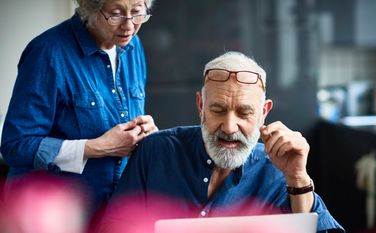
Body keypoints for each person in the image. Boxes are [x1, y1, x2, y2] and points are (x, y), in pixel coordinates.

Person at [98, 51, 345, 233]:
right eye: (218, 109)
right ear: (201, 106)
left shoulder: (278, 168)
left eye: (244, 112)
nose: (229, 126)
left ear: (264, 113)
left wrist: (299, 179)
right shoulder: (155, 152)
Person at [0, 0, 158, 213]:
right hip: (53, 214)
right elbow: (16, 145)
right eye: (116, 14)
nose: (129, 25)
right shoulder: (47, 52)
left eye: (138, 12)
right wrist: (97, 147)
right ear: (90, 7)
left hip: (111, 209)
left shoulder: (133, 45)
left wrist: (144, 134)